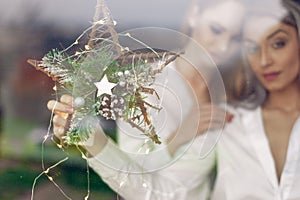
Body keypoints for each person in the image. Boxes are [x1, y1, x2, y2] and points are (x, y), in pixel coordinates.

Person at [47, 0, 248, 199]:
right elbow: (134, 179)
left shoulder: (235, 93)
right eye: (216, 30)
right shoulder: (143, 86)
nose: (223, 47)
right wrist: (178, 136)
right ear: (194, 14)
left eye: (236, 38)